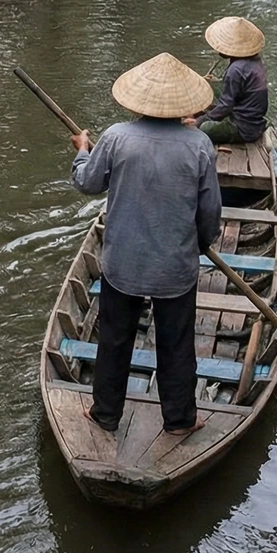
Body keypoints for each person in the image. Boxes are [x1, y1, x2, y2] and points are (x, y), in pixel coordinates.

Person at [69, 53, 223, 437]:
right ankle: (180, 420)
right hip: (175, 267)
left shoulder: (117, 137)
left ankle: (105, 413)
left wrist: (82, 150)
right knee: (176, 345)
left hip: (123, 264)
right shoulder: (199, 145)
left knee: (114, 341)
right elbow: (210, 211)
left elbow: (87, 182)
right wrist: (202, 244)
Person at [196, 16, 268, 145]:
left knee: (204, 128)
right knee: (214, 86)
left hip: (243, 129)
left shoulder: (236, 69)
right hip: (255, 123)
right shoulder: (254, 60)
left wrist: (200, 120)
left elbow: (226, 106)